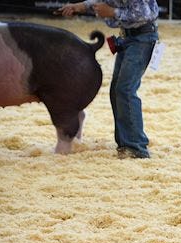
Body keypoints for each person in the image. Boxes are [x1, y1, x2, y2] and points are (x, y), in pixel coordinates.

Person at [58, 0, 159, 159]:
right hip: (129, 38)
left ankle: (136, 147)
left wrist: (113, 13)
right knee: (118, 91)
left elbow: (145, 14)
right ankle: (125, 144)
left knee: (124, 89)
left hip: (142, 38)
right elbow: (104, 2)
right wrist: (78, 7)